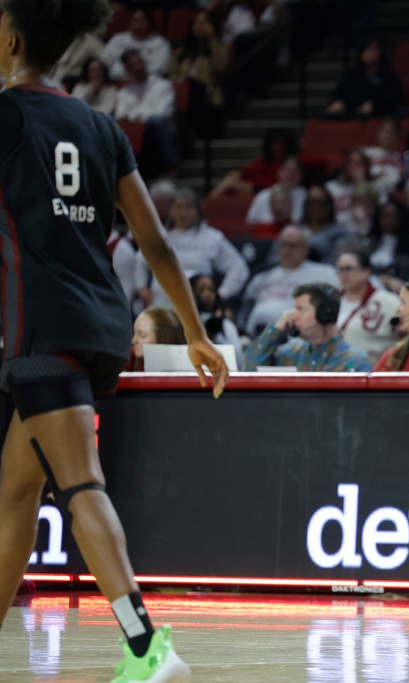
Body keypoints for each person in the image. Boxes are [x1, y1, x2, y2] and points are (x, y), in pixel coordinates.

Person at [0, 3, 228, 682]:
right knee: (15, 492)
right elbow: (154, 239)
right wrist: (195, 330)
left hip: (45, 326)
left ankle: (145, 646)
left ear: (12, 39)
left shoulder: (7, 116)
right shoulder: (101, 125)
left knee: (80, 484)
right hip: (100, 320)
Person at [135, 189, 250, 310]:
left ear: (198, 210)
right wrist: (142, 288)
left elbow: (238, 267)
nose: (182, 212)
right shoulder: (160, 236)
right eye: (178, 207)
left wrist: (222, 294)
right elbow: (140, 260)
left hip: (197, 307)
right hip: (161, 304)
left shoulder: (212, 237)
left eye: (188, 207)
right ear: (171, 211)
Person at [243, 283, 372, 371]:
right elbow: (249, 370)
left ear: (324, 314)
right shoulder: (290, 352)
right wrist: (276, 331)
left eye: (301, 309)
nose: (293, 316)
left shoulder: (354, 362)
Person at [239, 226, 340, 336]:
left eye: (293, 245)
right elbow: (245, 306)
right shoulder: (264, 275)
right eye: (283, 245)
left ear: (306, 248)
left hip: (295, 337)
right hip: (256, 335)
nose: (287, 250)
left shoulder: (325, 273)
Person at [114, 49, 178, 178]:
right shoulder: (125, 91)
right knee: (111, 122)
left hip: (160, 127)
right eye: (131, 66)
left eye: (137, 63)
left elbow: (163, 112)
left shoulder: (162, 85)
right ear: (127, 70)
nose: (136, 68)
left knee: (156, 121)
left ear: (143, 62)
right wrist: (138, 115)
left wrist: (135, 115)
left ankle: (171, 166)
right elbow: (120, 114)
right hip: (137, 129)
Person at [335, 249, 402, 365]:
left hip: (374, 373)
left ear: (366, 272)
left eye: (349, 268)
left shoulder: (389, 301)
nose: (344, 274)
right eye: (340, 269)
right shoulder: (332, 300)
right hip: (336, 370)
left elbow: (407, 337)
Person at [323, 37, 403, 119]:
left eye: (373, 49)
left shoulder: (390, 76)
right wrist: (338, 101)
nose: (368, 52)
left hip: (377, 116)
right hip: (349, 115)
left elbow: (393, 98)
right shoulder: (351, 74)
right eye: (366, 49)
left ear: (380, 52)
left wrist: (374, 105)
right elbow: (338, 92)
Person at [100, 8, 171, 81]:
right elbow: (104, 61)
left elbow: (160, 68)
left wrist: (136, 77)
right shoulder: (118, 39)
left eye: (142, 20)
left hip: (147, 83)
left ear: (151, 23)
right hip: (116, 82)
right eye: (135, 21)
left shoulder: (160, 43)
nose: (138, 24)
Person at [190, 274, 243, 363]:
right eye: (201, 290)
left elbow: (237, 357)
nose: (207, 294)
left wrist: (216, 332)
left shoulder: (225, 324)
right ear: (189, 293)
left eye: (211, 290)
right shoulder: (181, 322)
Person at [246, 156, 306, 226]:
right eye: (287, 170)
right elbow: (250, 222)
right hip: (265, 234)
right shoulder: (262, 196)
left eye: (295, 171)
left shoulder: (307, 197)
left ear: (301, 175)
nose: (290, 175)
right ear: (279, 172)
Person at [129, 307, 186, 371]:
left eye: (142, 336)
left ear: (164, 340)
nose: (133, 341)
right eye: (134, 333)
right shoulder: (130, 358)